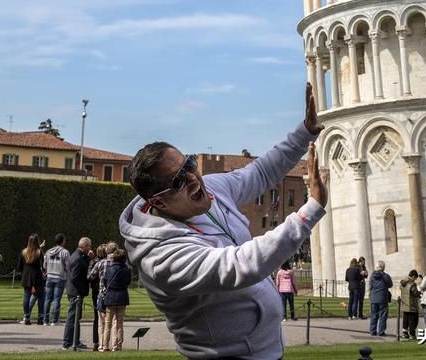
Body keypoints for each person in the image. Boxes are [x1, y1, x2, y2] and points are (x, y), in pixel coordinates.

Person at [120, 82, 326, 360]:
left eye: (189, 165)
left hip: (262, 351)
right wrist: (309, 210)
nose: (193, 177)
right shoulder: (161, 259)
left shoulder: (213, 189)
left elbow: (261, 172)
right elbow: (241, 265)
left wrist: (305, 132)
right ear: (158, 202)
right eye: (179, 180)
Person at [62, 236, 93, 351]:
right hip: (75, 292)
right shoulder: (77, 258)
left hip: (74, 291)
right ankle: (67, 343)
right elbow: (75, 277)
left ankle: (75, 341)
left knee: (76, 318)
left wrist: (89, 259)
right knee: (72, 318)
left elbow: (81, 269)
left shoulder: (78, 256)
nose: (90, 248)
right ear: (85, 246)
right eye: (89, 246)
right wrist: (83, 289)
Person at [102, 248, 131, 352]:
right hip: (122, 296)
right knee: (119, 323)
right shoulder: (127, 270)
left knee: (108, 323)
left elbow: (105, 282)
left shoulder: (109, 269)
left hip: (110, 297)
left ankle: (105, 345)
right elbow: (128, 282)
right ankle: (117, 345)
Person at [18, 234, 46, 325]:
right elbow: (42, 266)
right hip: (37, 276)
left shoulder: (23, 252)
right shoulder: (39, 252)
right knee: (41, 297)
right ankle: (40, 318)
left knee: (26, 297)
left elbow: (20, 267)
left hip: (26, 277)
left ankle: (27, 317)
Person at [43, 234, 69, 326]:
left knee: (47, 299)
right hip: (60, 277)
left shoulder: (48, 251)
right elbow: (68, 266)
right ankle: (54, 320)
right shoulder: (65, 252)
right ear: (62, 241)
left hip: (49, 277)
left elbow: (44, 265)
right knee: (57, 299)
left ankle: (45, 320)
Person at [87, 244, 108, 351]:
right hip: (106, 291)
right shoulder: (109, 262)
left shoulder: (95, 262)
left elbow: (89, 277)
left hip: (96, 292)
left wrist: (90, 264)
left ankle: (97, 341)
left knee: (98, 318)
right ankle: (106, 342)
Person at [368, 260, 392, 337]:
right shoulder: (386, 276)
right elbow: (390, 284)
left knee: (374, 315)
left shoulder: (372, 276)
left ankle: (372, 330)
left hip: (374, 298)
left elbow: (371, 285)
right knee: (382, 316)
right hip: (382, 298)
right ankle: (381, 331)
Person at [399, 269, 421, 340]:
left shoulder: (402, 282)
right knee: (413, 321)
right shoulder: (412, 284)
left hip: (404, 304)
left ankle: (405, 333)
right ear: (413, 276)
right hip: (412, 305)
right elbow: (415, 293)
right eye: (415, 278)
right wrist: (420, 292)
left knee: (405, 319)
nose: (415, 280)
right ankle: (412, 334)